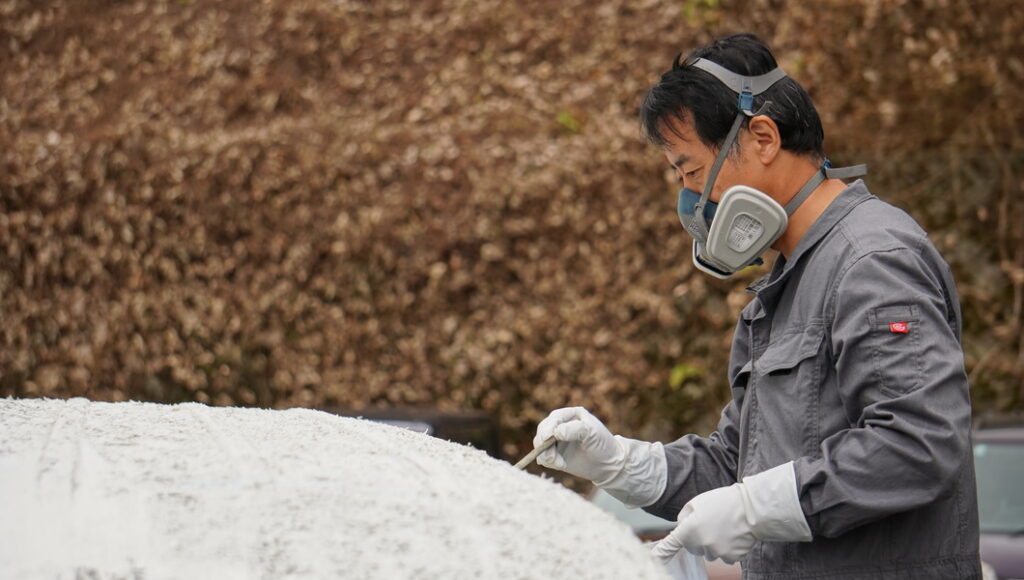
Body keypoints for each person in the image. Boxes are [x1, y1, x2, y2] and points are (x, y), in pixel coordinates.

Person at [532, 33, 980, 579]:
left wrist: (758, 507)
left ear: (763, 137)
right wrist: (625, 465)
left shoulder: (872, 260)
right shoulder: (785, 286)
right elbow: (738, 464)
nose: (691, 201)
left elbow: (918, 445)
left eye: (692, 171)